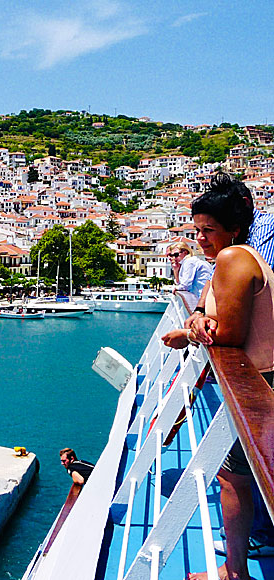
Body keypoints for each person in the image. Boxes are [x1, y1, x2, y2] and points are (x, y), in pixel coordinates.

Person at [161, 173, 274, 580]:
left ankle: (235, 572)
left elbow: (228, 332)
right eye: (197, 231)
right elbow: (209, 315)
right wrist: (194, 320)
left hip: (259, 387)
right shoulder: (240, 258)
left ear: (234, 228)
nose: (203, 239)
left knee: (234, 479)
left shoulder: (232, 259)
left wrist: (194, 329)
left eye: (209, 230)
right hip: (259, 381)